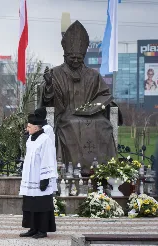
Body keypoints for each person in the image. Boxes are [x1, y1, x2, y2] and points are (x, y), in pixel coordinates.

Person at [40, 20, 121, 175]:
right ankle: (72, 170)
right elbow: (49, 101)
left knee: (104, 125)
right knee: (70, 125)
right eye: (72, 57)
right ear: (65, 55)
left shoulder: (93, 75)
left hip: (93, 115)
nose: (76, 60)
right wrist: (49, 85)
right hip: (66, 115)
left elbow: (105, 94)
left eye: (79, 57)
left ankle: (105, 170)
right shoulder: (56, 73)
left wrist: (95, 107)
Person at [19, 110, 57, 239]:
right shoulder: (30, 138)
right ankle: (32, 227)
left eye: (29, 126)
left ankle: (42, 229)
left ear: (36, 127)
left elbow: (48, 158)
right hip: (30, 176)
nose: (27, 128)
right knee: (30, 202)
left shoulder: (45, 139)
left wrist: (45, 178)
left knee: (41, 203)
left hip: (40, 176)